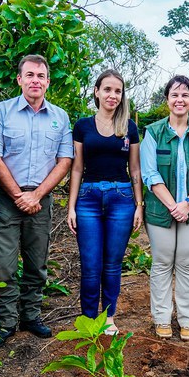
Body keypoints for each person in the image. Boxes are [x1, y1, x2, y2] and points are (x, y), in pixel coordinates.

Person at [0, 54, 73, 346]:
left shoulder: (60, 117)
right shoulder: (1, 111)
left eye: (41, 76)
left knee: (37, 263)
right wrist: (18, 195)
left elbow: (65, 160)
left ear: (48, 81)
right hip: (6, 198)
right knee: (4, 264)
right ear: (20, 79)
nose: (36, 80)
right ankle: (7, 321)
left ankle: (31, 316)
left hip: (40, 199)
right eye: (30, 75)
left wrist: (35, 195)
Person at [67, 70, 143, 335]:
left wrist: (139, 205)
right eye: (108, 89)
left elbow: (135, 170)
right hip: (87, 199)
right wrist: (71, 207)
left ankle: (108, 316)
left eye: (118, 91)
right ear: (97, 91)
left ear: (122, 96)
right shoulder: (82, 126)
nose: (113, 95)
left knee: (112, 262)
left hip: (121, 199)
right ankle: (89, 320)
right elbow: (76, 168)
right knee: (90, 264)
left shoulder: (129, 127)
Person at [140, 75, 189, 341]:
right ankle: (161, 318)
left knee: (186, 262)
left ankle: (187, 319)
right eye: (174, 95)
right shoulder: (153, 132)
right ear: (167, 100)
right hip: (161, 210)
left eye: (185, 95)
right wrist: (174, 206)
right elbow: (150, 174)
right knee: (162, 262)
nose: (179, 100)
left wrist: (188, 204)